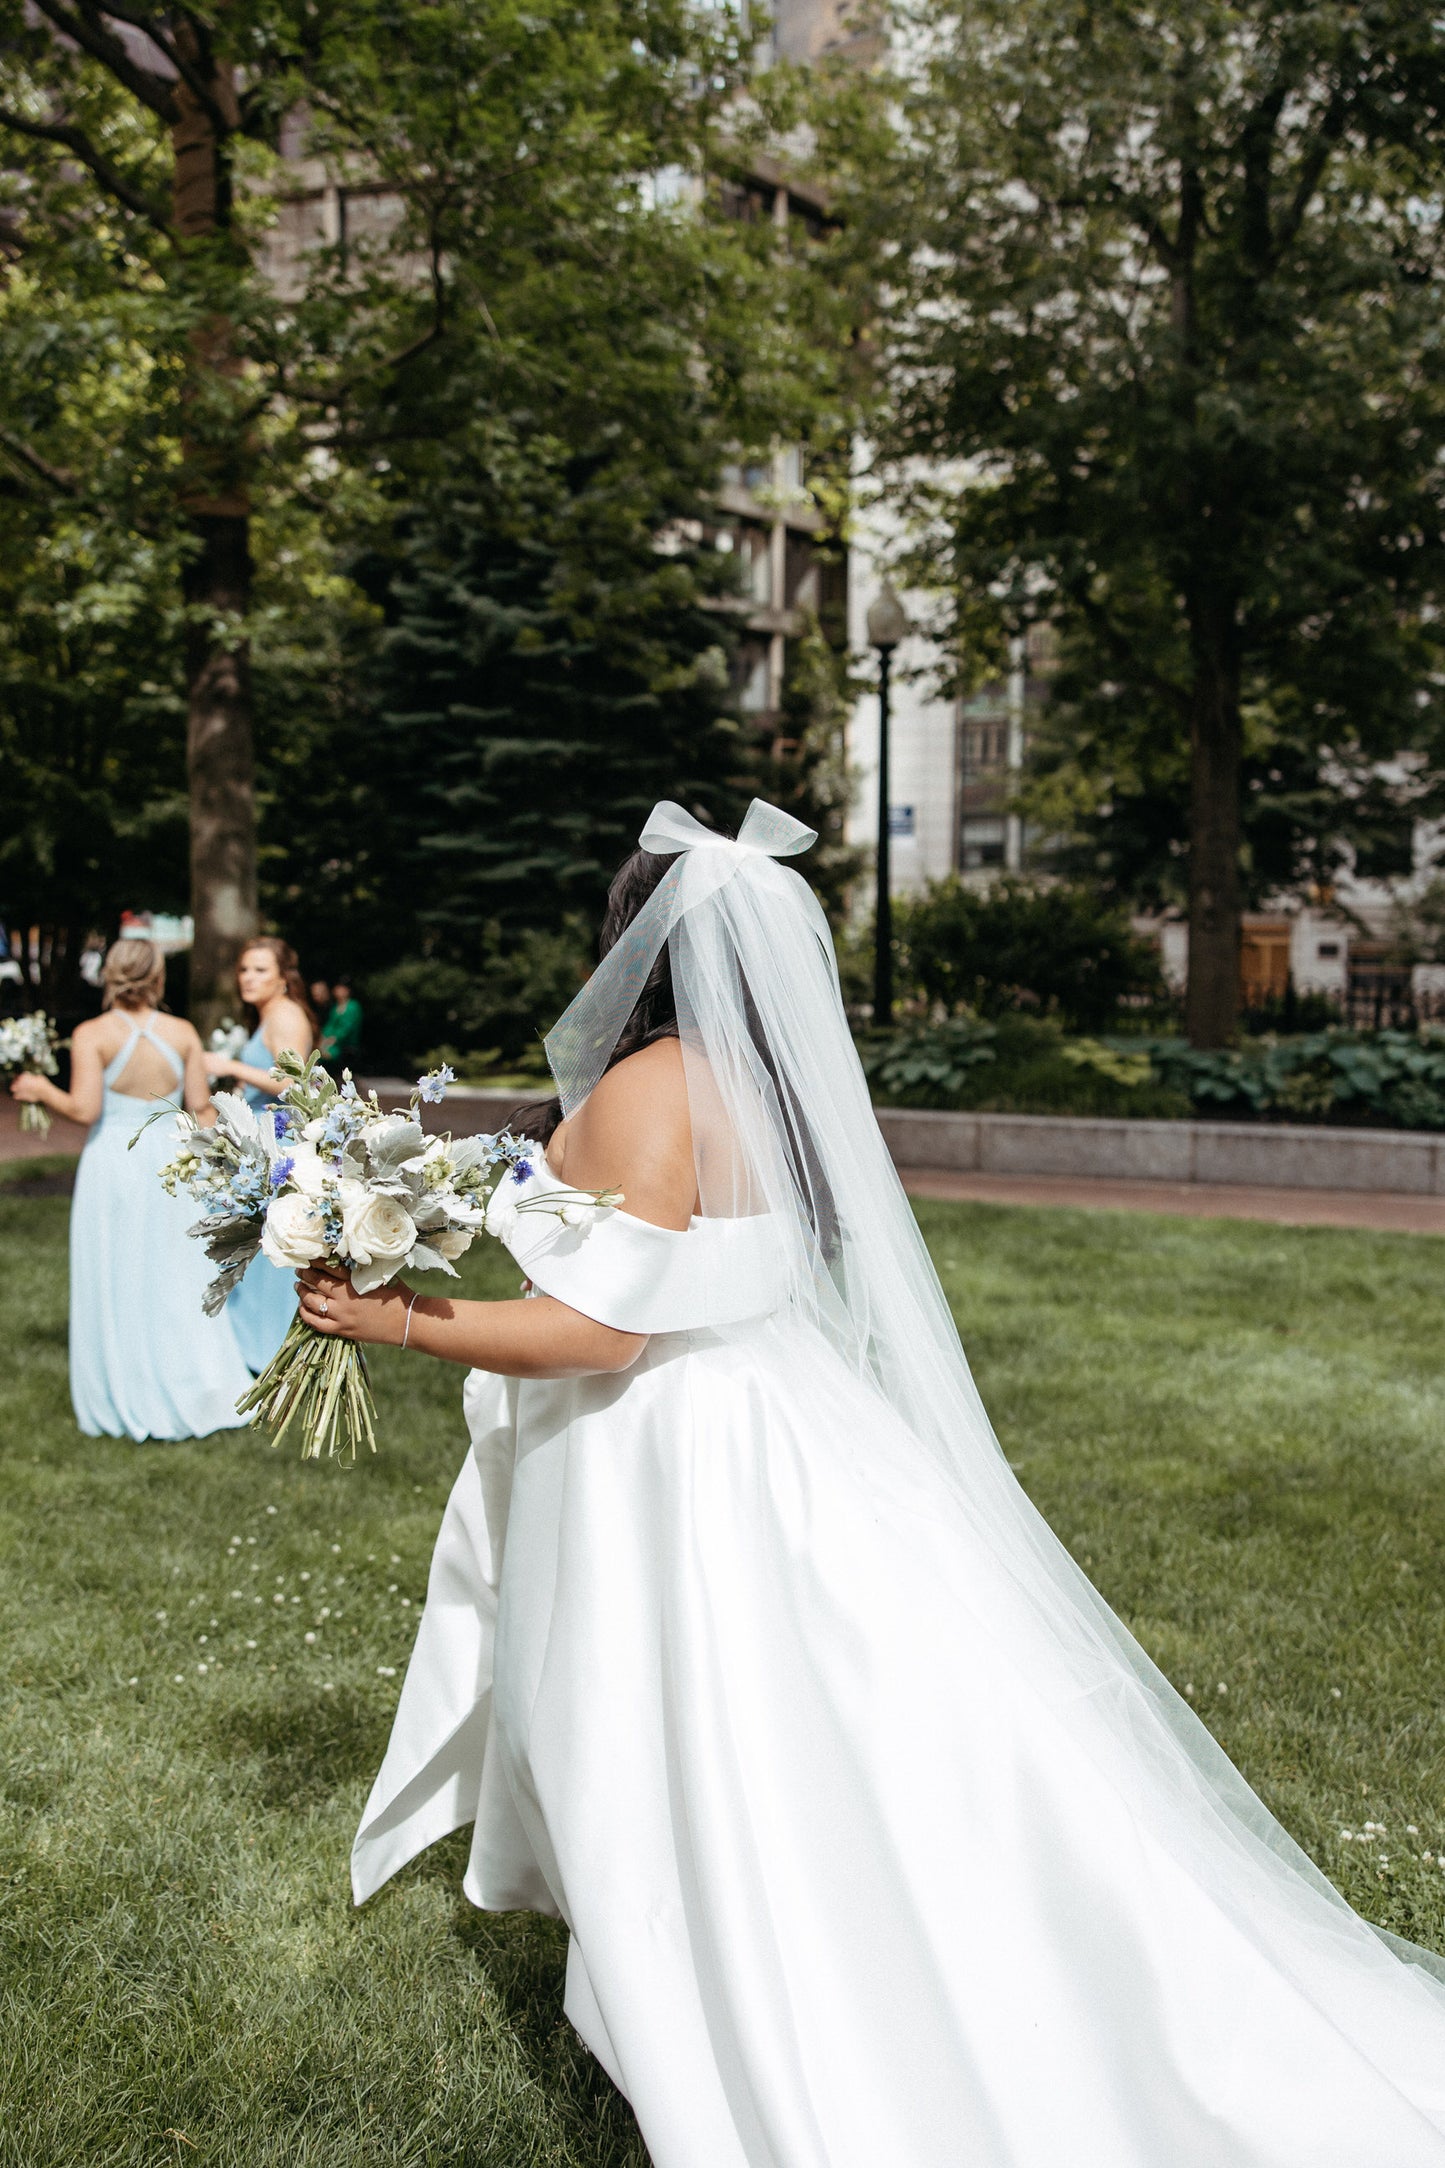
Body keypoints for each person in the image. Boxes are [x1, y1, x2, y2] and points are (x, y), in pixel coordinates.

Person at [304, 801, 1445, 2168]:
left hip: (658, 1445)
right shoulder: (774, 1093)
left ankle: (731, 1987)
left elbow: (602, 1332)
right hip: (775, 1424)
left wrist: (398, 1322)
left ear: (638, 945)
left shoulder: (644, 1088)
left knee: (682, 1730)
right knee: (820, 1726)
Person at [10, 937, 252, 1441]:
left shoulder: (91, 1034)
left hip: (114, 1164)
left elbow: (84, 1110)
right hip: (171, 1160)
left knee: (118, 1269)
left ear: (109, 976)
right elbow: (201, 1109)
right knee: (177, 1269)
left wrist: (39, 1090)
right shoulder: (182, 1031)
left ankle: (125, 1379)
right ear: (158, 978)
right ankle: (196, 1380)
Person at [206, 936, 316, 1373]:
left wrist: (231, 1067)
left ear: (283, 976)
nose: (247, 978)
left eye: (259, 970)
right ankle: (254, 1350)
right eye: (243, 970)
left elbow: (295, 1085)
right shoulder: (268, 1015)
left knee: (268, 1252)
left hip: (278, 1147)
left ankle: (266, 1351)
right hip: (258, 1139)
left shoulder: (286, 1015)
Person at [319, 978, 364, 1069]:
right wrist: (323, 1037)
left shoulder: (353, 1006)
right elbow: (330, 1025)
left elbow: (347, 1028)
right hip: (330, 1041)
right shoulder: (335, 1007)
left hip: (344, 1044)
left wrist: (333, 1039)